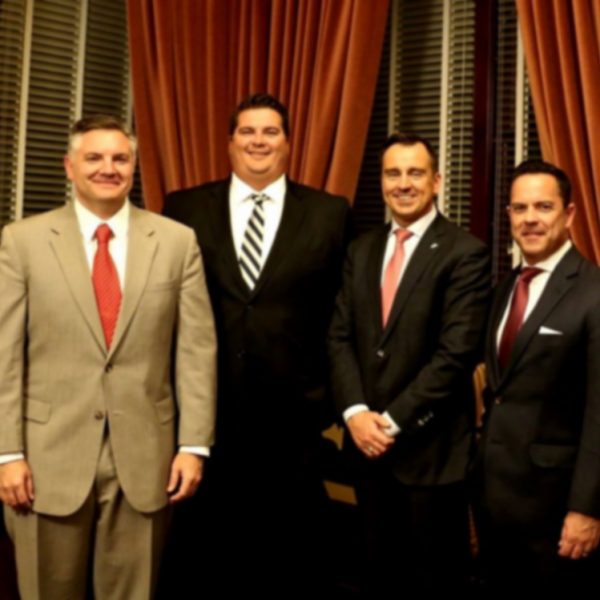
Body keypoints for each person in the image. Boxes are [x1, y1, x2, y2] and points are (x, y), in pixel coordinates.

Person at [0, 115, 216, 600]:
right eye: (94, 158)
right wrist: (7, 453)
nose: (108, 168)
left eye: (120, 158)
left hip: (146, 459)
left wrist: (193, 445)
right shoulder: (22, 241)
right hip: (44, 460)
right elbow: (4, 355)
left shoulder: (177, 242)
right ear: (69, 166)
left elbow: (196, 351)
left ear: (133, 167)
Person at [162, 93, 352, 593]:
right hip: (206, 418)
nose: (258, 141)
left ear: (288, 142)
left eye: (271, 131)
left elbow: (342, 314)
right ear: (229, 142)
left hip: (295, 422)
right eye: (247, 131)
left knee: (289, 564)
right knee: (205, 564)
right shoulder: (183, 208)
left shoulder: (330, 213)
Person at [328, 133, 490, 594]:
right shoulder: (361, 250)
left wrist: (390, 422)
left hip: (430, 456)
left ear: (436, 181)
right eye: (393, 173)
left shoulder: (465, 253)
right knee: (374, 580)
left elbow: (455, 354)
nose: (403, 183)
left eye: (415, 173)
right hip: (366, 454)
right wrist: (355, 414)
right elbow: (339, 336)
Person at [475, 159, 600, 592]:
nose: (530, 218)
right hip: (493, 502)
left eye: (543, 207)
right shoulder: (505, 288)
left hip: (557, 511)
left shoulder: (593, 292)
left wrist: (586, 509)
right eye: (520, 208)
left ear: (569, 214)